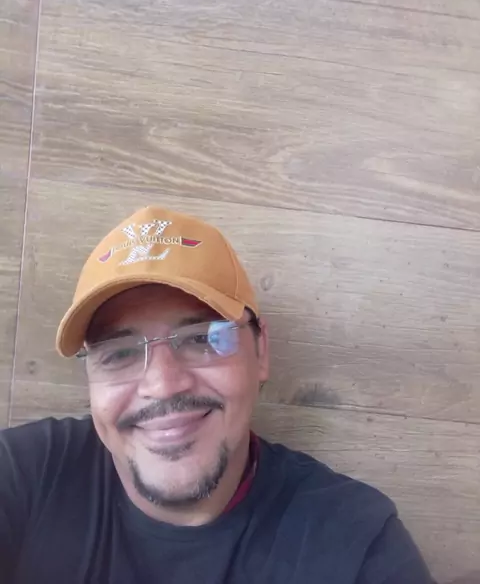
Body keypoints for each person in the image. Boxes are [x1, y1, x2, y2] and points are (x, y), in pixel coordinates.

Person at [0, 206, 433, 584]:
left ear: (261, 350)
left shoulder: (353, 543)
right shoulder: (23, 475)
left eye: (202, 338)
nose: (162, 384)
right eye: (119, 353)